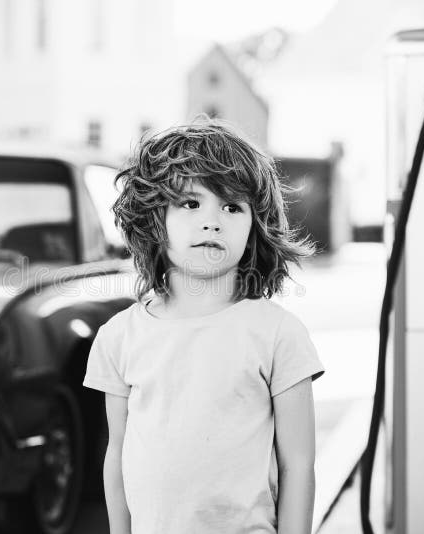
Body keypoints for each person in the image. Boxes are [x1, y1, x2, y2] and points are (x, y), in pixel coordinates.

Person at [82, 118, 325, 534]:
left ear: (255, 228)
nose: (212, 221)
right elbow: (117, 454)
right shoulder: (119, 337)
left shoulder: (277, 333)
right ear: (154, 220)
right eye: (190, 203)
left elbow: (298, 464)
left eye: (232, 207)